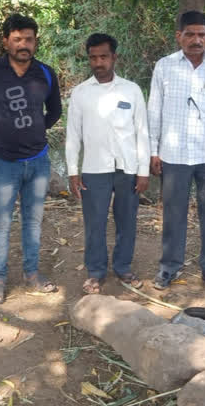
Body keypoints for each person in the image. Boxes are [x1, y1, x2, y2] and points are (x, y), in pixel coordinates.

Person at [0, 14, 62, 304]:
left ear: (36, 41)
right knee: (1, 222)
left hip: (38, 161)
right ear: (6, 41)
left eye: (29, 39)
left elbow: (55, 112)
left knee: (33, 221)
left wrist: (35, 129)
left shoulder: (46, 73)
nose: (23, 44)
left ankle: (32, 274)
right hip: (3, 162)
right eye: (17, 39)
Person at [147, 11, 205, 292]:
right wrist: (153, 150)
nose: (196, 40)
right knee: (174, 214)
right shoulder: (164, 66)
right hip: (175, 154)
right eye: (190, 34)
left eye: (202, 35)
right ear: (179, 36)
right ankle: (169, 267)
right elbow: (154, 110)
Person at [66, 33, 150, 294]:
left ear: (114, 57)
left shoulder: (131, 90)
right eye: (93, 57)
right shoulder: (80, 93)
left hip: (127, 169)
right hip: (94, 168)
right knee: (95, 222)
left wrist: (143, 171)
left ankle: (123, 267)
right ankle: (96, 271)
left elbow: (142, 132)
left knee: (127, 221)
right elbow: (73, 135)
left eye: (103, 56)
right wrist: (72, 172)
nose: (98, 62)